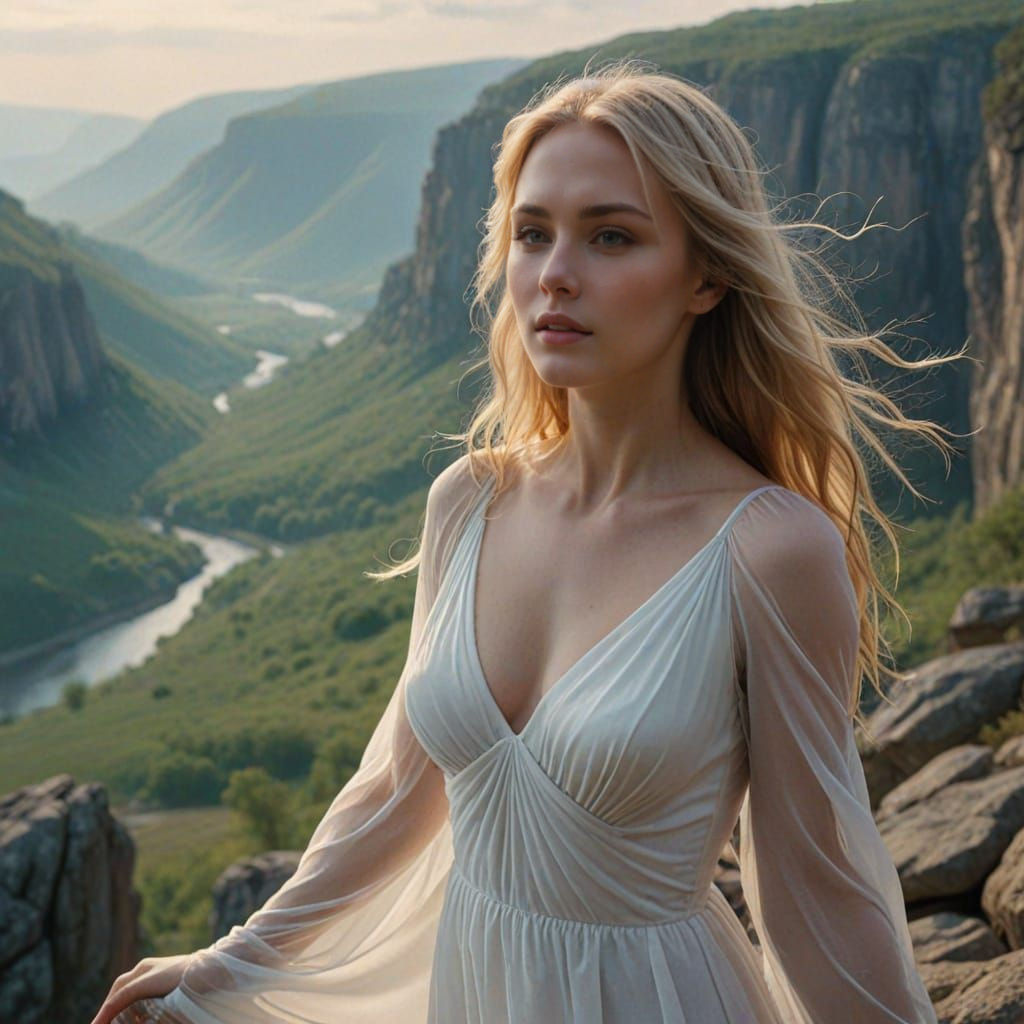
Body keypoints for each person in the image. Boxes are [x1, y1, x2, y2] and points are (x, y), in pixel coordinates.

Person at [91, 58, 961, 1024]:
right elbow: (395, 795)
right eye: (532, 233)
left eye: (612, 236)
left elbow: (814, 891)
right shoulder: (469, 501)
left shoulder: (769, 549)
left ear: (708, 276)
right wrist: (230, 962)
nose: (556, 275)